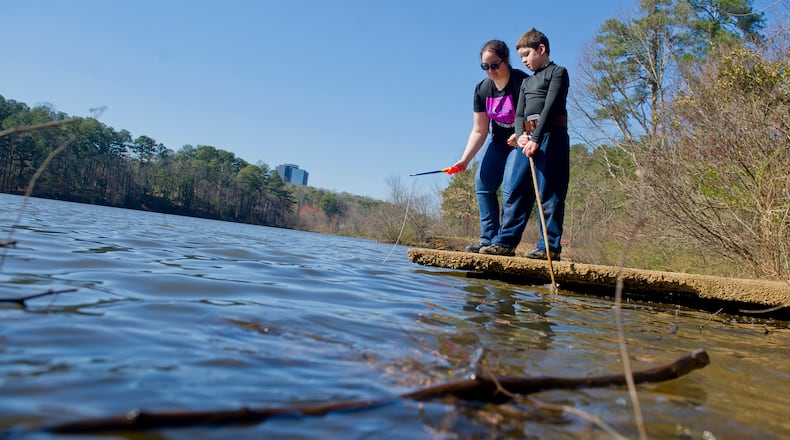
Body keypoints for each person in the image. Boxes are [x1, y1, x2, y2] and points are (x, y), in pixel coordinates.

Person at [452, 40, 531, 257]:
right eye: (485, 67)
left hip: (522, 141)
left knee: (510, 185)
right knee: (483, 182)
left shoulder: (522, 82)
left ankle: (504, 242)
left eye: (494, 65)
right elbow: (479, 130)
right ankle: (487, 238)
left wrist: (523, 132)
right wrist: (465, 160)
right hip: (499, 142)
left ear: (506, 60)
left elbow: (537, 117)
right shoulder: (482, 89)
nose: (490, 71)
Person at [514, 28, 570, 261]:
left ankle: (549, 246)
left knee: (550, 192)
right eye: (521, 58)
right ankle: (506, 241)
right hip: (527, 140)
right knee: (516, 189)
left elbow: (551, 106)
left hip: (551, 136)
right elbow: (519, 115)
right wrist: (521, 136)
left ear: (541, 49)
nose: (524, 61)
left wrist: (536, 137)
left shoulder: (557, 72)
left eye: (527, 54)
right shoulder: (526, 82)